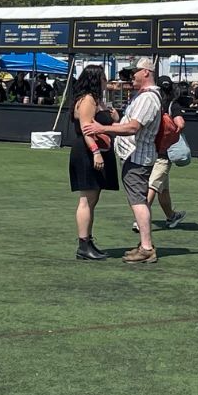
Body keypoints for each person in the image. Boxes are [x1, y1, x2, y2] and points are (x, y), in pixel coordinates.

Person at [83, 58, 163, 264]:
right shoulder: (145, 95)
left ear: (146, 72)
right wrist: (118, 121)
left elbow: (133, 128)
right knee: (138, 200)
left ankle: (146, 248)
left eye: (134, 72)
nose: (130, 76)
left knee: (138, 201)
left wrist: (103, 128)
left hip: (138, 156)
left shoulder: (147, 97)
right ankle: (145, 245)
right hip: (136, 155)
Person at [67, 65, 119, 260]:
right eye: (103, 78)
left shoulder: (97, 100)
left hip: (99, 150)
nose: (106, 82)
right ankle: (83, 245)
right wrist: (96, 152)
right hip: (87, 152)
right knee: (86, 199)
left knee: (93, 198)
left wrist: (114, 117)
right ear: (96, 80)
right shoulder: (88, 99)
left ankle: (88, 241)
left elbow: (105, 124)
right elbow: (86, 129)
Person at [146, 77, 188, 228]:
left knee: (163, 189)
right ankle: (140, 219)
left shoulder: (151, 103)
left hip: (148, 149)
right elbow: (180, 123)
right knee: (153, 185)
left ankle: (171, 216)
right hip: (164, 153)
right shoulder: (172, 105)